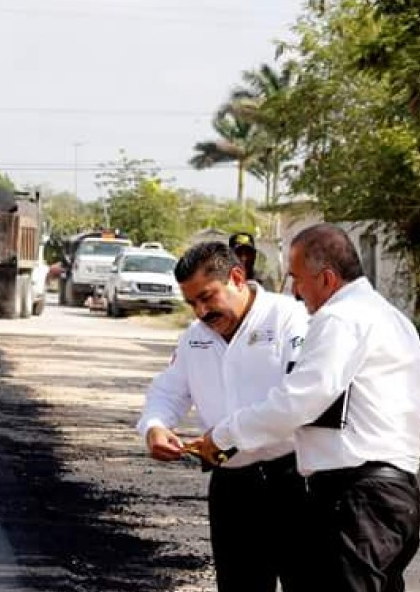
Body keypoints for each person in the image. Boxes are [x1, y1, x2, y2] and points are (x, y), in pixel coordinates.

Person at [191, 223, 420, 592]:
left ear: (328, 278)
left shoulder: (340, 318)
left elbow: (299, 399)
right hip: (393, 494)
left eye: (297, 279)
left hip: (358, 498)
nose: (294, 291)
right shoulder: (389, 317)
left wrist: (224, 436)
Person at [136, 240, 312, 592]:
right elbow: (167, 392)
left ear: (236, 276)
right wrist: (154, 426)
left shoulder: (289, 319)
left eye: (207, 297)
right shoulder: (194, 338)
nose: (200, 312)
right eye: (191, 303)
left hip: (293, 482)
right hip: (232, 486)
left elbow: (299, 399)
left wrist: (226, 435)